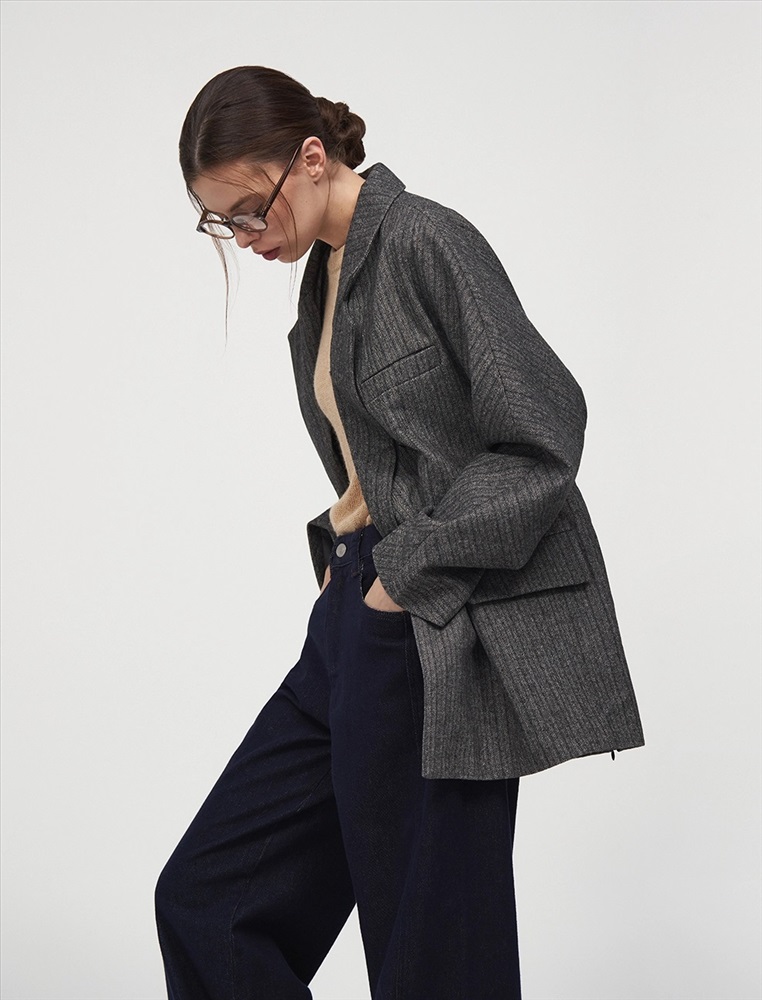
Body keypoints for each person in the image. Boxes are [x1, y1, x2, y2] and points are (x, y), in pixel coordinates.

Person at [154, 65, 645, 1000]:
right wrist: (352, 571)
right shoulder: (323, 279)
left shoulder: (425, 240)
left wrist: (402, 574)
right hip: (354, 617)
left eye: (250, 210)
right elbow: (380, 463)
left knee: (433, 958)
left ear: (312, 158)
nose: (247, 238)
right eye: (224, 224)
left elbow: (543, 434)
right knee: (208, 901)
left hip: (427, 619)